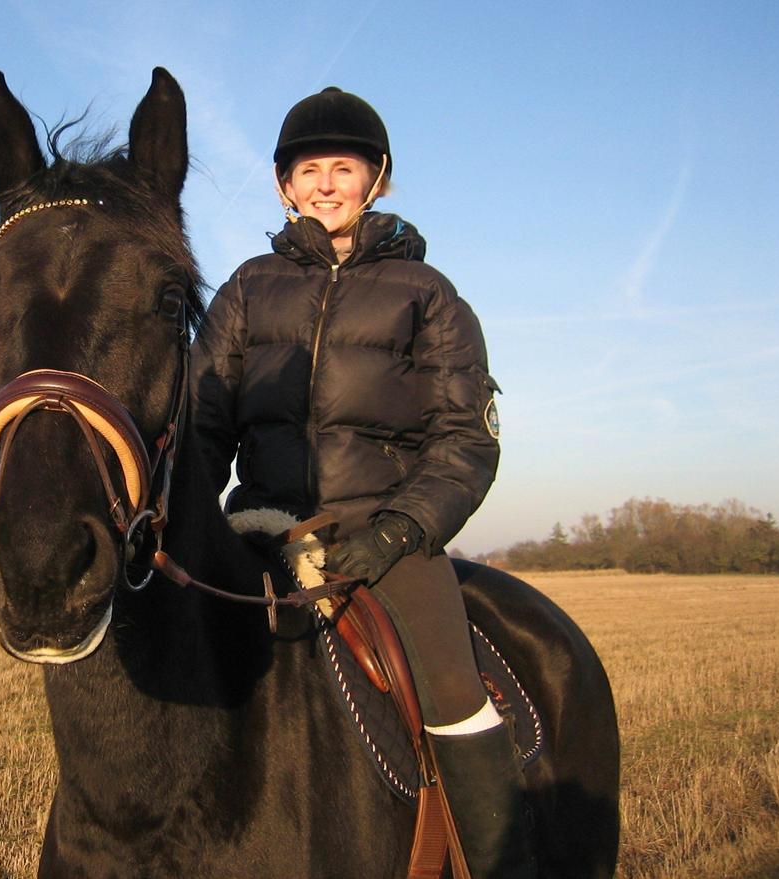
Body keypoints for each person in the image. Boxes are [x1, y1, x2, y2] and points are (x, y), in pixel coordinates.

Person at [190, 86, 533, 878]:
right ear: (284, 186)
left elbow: (464, 440)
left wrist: (403, 528)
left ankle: (508, 861)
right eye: (307, 170)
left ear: (377, 178)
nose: (324, 185)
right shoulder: (245, 288)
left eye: (343, 167)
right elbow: (206, 427)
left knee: (452, 684)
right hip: (263, 526)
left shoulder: (430, 295)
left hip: (385, 539)